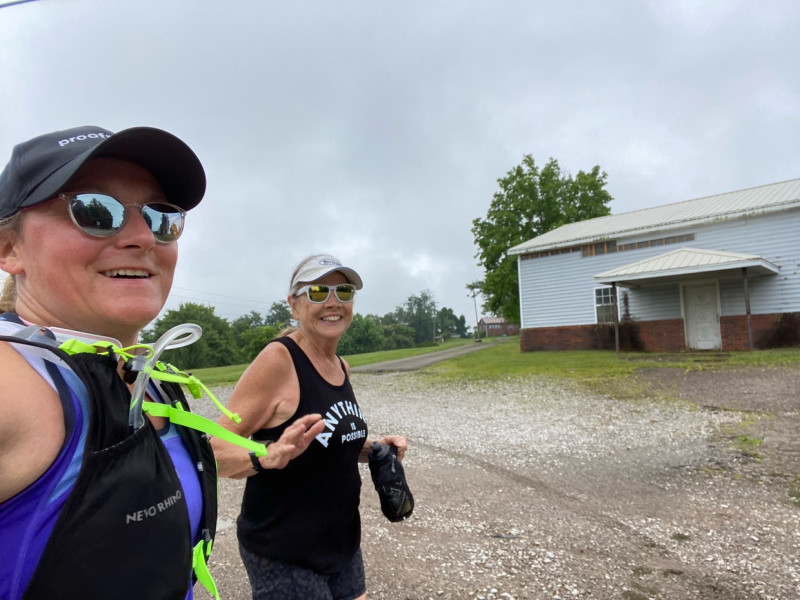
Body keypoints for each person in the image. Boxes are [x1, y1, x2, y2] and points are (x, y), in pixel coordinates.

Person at [0, 125, 324, 600]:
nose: (142, 237)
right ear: (9, 248)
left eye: (161, 217)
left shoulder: (142, 375)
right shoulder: (14, 379)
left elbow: (162, 465)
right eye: (93, 209)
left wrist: (265, 455)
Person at [211, 254, 408, 600]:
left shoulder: (341, 366)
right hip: (283, 551)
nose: (333, 302)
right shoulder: (278, 360)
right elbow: (212, 449)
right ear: (294, 305)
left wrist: (375, 448)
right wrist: (267, 455)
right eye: (318, 292)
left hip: (341, 541)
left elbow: (328, 441)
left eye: (343, 292)